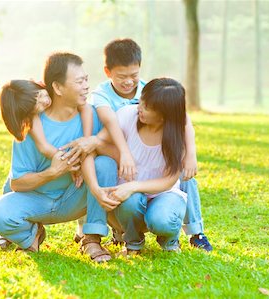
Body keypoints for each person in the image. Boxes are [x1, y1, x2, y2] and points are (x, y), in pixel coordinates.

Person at [64, 38, 212, 251]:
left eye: (134, 75)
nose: (129, 82)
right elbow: (110, 123)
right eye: (121, 76)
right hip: (119, 153)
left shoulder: (151, 91)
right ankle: (108, 234)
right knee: (110, 174)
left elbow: (182, 118)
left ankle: (192, 232)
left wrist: (191, 154)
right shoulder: (104, 97)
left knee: (185, 175)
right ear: (108, 72)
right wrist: (118, 151)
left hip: (151, 163)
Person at [0, 52, 117, 262]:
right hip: (38, 200)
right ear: (57, 87)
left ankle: (91, 239)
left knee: (106, 165)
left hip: (76, 196)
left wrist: (93, 142)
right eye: (79, 81)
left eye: (86, 80)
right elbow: (17, 183)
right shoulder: (29, 125)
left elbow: (117, 155)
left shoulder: (93, 114)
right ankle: (32, 235)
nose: (86, 86)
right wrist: (53, 171)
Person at [101, 77, 189, 253]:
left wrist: (133, 186)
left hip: (164, 194)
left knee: (162, 220)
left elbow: (168, 181)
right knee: (130, 201)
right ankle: (133, 243)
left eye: (147, 107)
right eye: (141, 100)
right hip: (130, 196)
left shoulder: (177, 137)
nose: (139, 107)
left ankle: (169, 239)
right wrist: (121, 156)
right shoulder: (127, 115)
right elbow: (100, 142)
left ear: (164, 116)